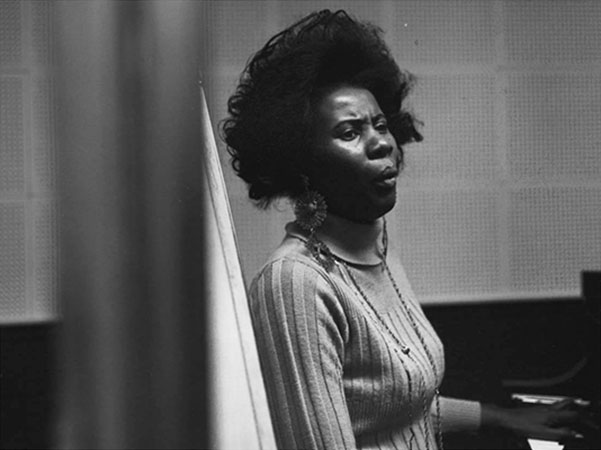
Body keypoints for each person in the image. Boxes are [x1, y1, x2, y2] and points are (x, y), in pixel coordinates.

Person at [222, 10, 584, 450]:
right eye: (350, 132)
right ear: (303, 165)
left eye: (379, 124)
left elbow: (396, 405)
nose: (381, 143)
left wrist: (503, 418)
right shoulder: (294, 284)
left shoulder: (375, 247)